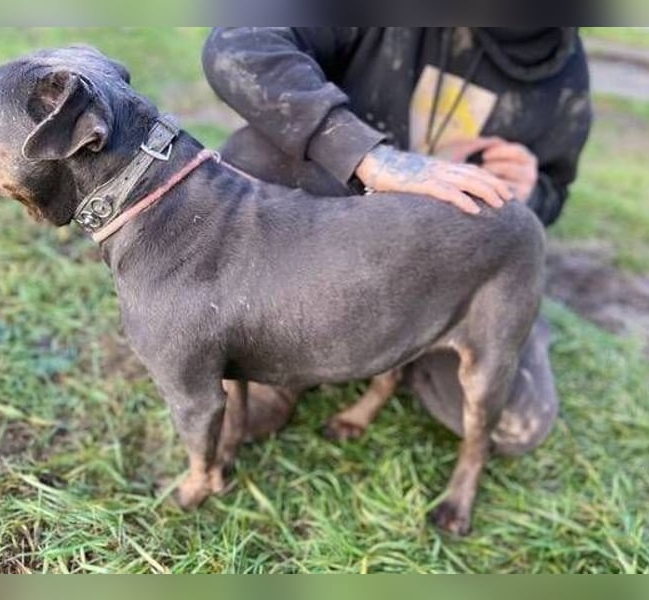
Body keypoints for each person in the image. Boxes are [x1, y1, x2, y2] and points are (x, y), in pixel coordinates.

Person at [202, 27, 592, 454]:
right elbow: (238, 44)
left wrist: (532, 190)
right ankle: (275, 363)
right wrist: (364, 154)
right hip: (332, 216)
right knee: (257, 157)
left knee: (515, 424)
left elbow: (555, 192)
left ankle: (422, 342)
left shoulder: (566, 81)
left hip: (444, 268)